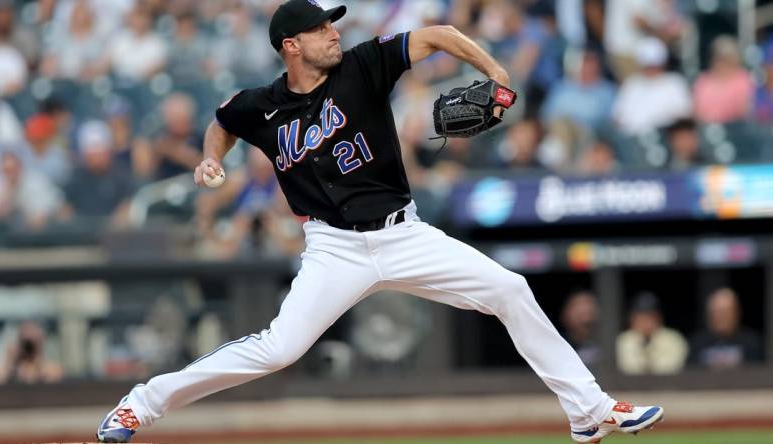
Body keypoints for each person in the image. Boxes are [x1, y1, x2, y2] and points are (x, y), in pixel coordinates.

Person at [96, 2, 663, 443]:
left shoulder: (363, 66)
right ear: (291, 46)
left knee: (510, 289)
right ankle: (140, 405)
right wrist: (211, 156)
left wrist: (496, 72)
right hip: (333, 249)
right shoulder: (261, 105)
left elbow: (438, 35)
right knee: (277, 351)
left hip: (404, 234)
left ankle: (589, 412)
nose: (334, 33)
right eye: (321, 29)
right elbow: (222, 119)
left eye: (333, 25)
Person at [688, 287, 763, 370]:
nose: (720, 317)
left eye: (725, 312)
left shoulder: (751, 342)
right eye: (716, 313)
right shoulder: (697, 343)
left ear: (737, 313)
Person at [616, 292, 688, 375]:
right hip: (630, 386)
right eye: (641, 316)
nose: (645, 321)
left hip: (667, 386)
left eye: (650, 316)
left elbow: (669, 368)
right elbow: (630, 367)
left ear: (659, 318)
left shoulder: (674, 339)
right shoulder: (623, 340)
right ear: (632, 318)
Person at [0, 321, 64, 385]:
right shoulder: (12, 368)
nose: (29, 347)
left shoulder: (49, 368)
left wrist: (38, 365)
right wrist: (9, 360)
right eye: (26, 342)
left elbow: (56, 377)